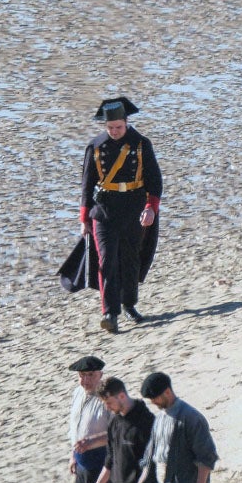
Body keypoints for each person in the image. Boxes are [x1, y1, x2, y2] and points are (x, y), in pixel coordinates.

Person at [76, 97, 163, 334]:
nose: (114, 132)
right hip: (104, 212)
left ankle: (129, 303)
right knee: (106, 261)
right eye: (110, 128)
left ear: (126, 122)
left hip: (134, 209)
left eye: (119, 127)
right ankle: (110, 313)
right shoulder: (95, 146)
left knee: (130, 259)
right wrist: (84, 218)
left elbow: (154, 180)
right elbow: (86, 184)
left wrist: (150, 208)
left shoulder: (141, 144)